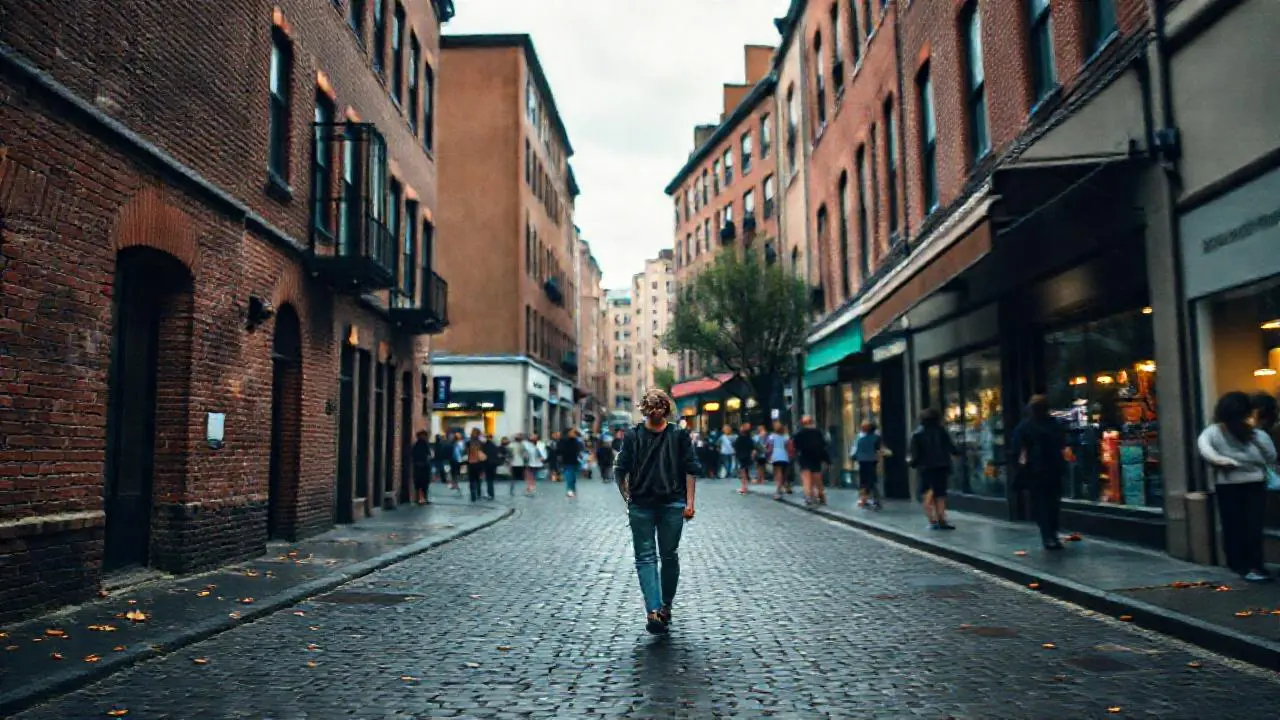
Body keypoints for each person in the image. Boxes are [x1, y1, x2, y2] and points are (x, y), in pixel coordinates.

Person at [614, 388, 700, 634]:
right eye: (652, 408)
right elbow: (620, 468)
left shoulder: (679, 435)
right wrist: (627, 498)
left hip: (672, 503)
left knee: (669, 555)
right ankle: (653, 611)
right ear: (645, 409)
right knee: (645, 557)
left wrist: (690, 503)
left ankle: (666, 607)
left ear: (666, 408)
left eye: (660, 407)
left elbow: (690, 468)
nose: (656, 412)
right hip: (641, 504)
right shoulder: (633, 436)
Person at [1198, 391, 1278, 582]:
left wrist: (1223, 461)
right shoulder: (1255, 433)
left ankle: (1238, 564)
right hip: (1254, 482)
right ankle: (1255, 565)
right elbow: (1271, 456)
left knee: (1232, 525)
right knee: (1253, 524)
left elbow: (1205, 449)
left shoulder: (1213, 431)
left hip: (1227, 483)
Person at [1010, 396, 1070, 549]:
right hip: (1054, 468)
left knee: (1040, 503)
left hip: (1035, 470)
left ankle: (1047, 536)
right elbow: (1063, 445)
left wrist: (1020, 464)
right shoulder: (1055, 424)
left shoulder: (1025, 426)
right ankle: (1054, 535)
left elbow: (1017, 449)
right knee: (1053, 503)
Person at [909, 408, 960, 530]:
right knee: (940, 494)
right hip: (941, 466)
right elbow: (951, 447)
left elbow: (914, 455)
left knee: (928, 494)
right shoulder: (942, 431)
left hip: (926, 468)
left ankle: (932, 520)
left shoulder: (917, 434)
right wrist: (957, 454)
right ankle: (942, 519)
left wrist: (912, 463)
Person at [792, 416, 830, 505]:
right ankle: (821, 495)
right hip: (816, 457)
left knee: (806, 478)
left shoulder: (799, 433)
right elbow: (823, 446)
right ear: (812, 422)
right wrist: (826, 459)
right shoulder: (818, 433)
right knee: (817, 478)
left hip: (804, 457)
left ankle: (808, 496)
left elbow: (796, 446)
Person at [852, 422, 884, 510]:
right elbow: (879, 449)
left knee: (863, 481)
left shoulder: (860, 439)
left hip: (862, 461)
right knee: (872, 481)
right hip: (871, 461)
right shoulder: (876, 438)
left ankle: (864, 499)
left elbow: (856, 451)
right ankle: (876, 500)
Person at [767, 421, 792, 500]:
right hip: (784, 456)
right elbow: (788, 447)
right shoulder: (786, 436)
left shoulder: (771, 436)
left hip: (776, 456)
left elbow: (770, 448)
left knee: (778, 474)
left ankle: (778, 490)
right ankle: (783, 487)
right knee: (784, 474)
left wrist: (769, 456)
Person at [558, 428, 584, 498]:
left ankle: (572, 489)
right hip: (567, 461)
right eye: (572, 432)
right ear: (568, 433)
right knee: (569, 476)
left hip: (575, 461)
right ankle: (569, 490)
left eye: (574, 432)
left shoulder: (576, 440)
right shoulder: (563, 441)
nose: (574, 434)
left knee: (573, 477)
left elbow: (580, 448)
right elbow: (559, 450)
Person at [465, 429, 488, 503]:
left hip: (471, 463)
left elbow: (466, 452)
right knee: (478, 479)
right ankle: (478, 493)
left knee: (472, 480)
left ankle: (473, 495)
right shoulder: (481, 443)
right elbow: (484, 454)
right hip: (479, 463)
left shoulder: (468, 442)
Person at [411, 430, 432, 505]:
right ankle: (422, 499)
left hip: (421, 467)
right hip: (422, 467)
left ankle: (421, 499)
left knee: (421, 484)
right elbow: (428, 455)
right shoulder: (421, 444)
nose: (426, 437)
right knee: (422, 484)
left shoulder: (420, 444)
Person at [733, 422, 755, 495]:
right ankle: (745, 487)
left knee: (743, 473)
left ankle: (744, 488)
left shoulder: (741, 438)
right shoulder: (749, 438)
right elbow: (752, 447)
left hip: (742, 456)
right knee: (745, 472)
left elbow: (735, 446)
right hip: (747, 456)